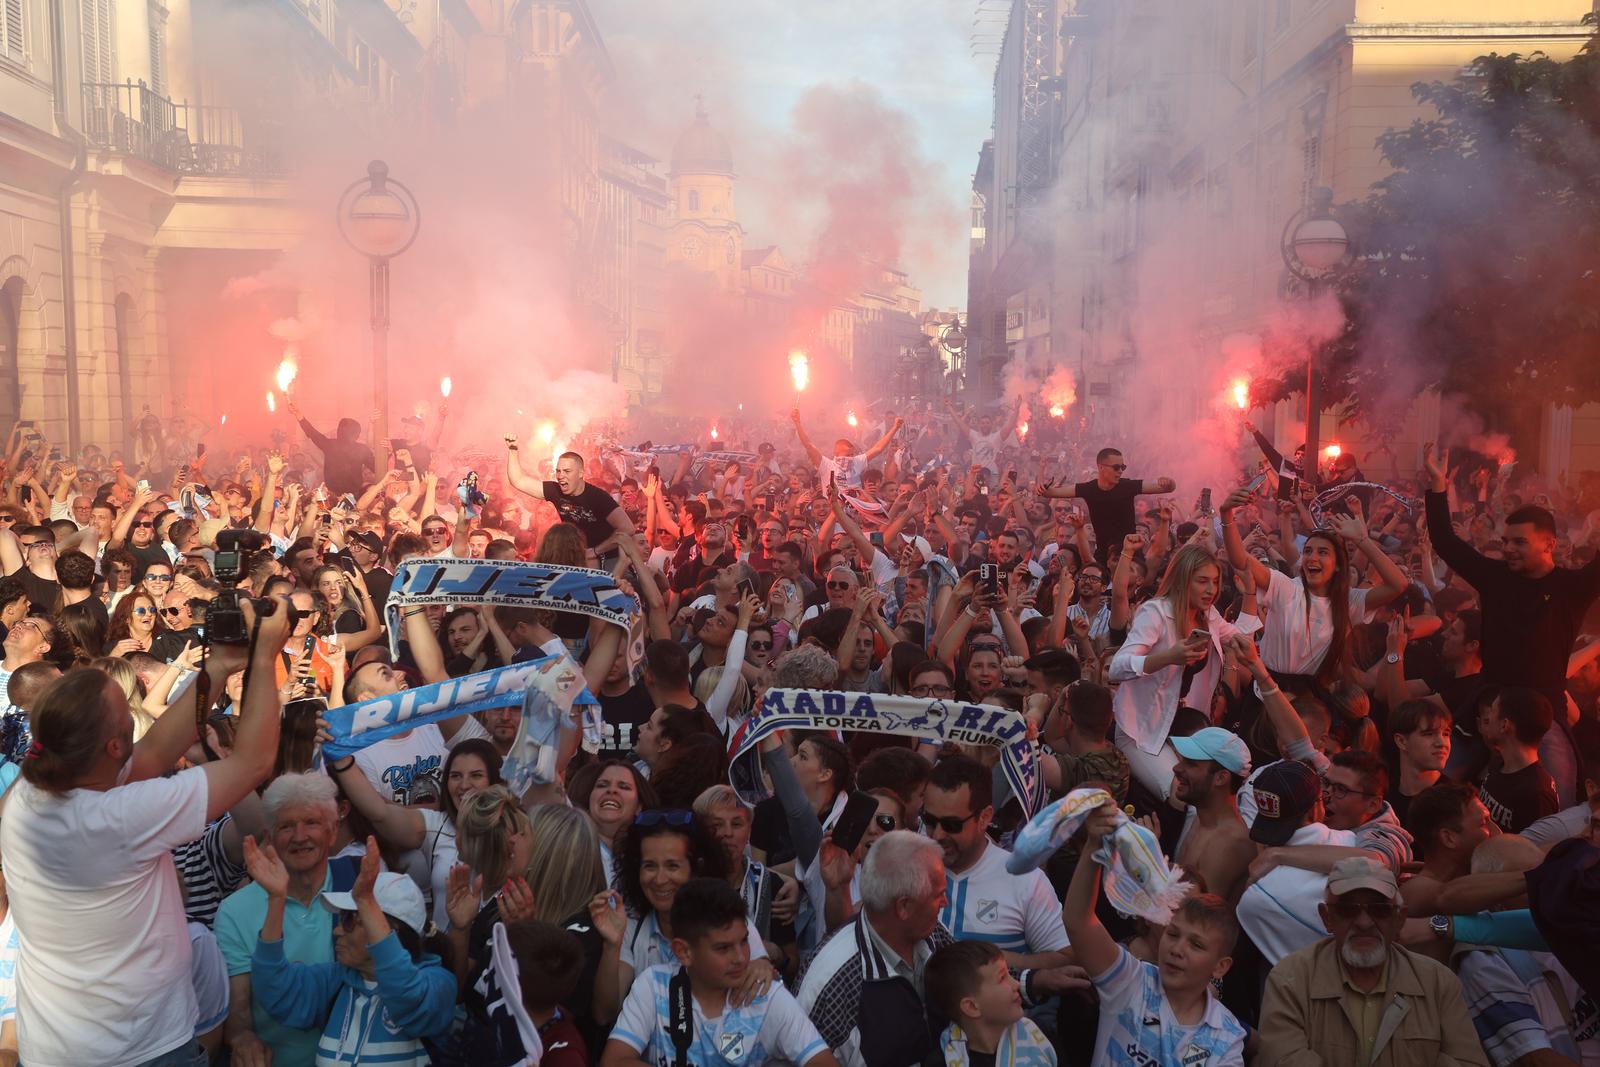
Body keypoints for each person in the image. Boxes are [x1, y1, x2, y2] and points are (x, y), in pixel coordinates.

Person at [0, 595, 288, 1067]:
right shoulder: (121, 817)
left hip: (53, 1048)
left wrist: (215, 670)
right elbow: (254, 760)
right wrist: (263, 656)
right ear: (114, 746)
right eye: (125, 709)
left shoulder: (29, 793)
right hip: (137, 1051)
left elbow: (153, 751)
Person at [1424, 443, 1593, 802]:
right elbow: (1445, 542)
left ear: (1550, 543)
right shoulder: (1495, 576)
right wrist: (1438, 486)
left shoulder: (1571, 587)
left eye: (1519, 542)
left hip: (1542, 711)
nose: (1508, 549)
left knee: (1560, 800)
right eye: (1505, 542)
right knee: (1441, 788)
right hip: (1488, 702)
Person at [1063, 800, 1248, 1066]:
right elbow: (1077, 921)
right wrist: (1094, 847)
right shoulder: (1130, 981)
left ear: (1220, 967)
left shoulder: (1227, 1040)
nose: (1177, 949)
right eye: (1173, 934)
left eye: (1196, 944)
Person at [1257, 857, 1489, 1066]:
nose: (1364, 922)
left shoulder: (1438, 983)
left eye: (1379, 910)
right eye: (1348, 910)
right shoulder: (1290, 980)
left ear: (1400, 919)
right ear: (1327, 918)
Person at [243, 838, 454, 1065]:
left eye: (350, 921)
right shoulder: (338, 979)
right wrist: (276, 900)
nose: (337, 930)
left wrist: (366, 902)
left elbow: (407, 995)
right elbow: (276, 989)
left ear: (390, 930)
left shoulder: (437, 984)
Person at [602, 877, 837, 1067]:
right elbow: (614, 1061)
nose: (741, 957)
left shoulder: (766, 995)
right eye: (723, 948)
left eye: (744, 942)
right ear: (683, 952)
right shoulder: (654, 986)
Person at [1108, 545, 1260, 798]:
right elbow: (1118, 667)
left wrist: (1251, 597)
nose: (1211, 590)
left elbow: (1238, 637)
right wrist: (1169, 657)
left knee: (1219, 792)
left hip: (1187, 730)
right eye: (1202, 581)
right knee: (1184, 796)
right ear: (1183, 579)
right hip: (1142, 730)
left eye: (1215, 581)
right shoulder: (1155, 612)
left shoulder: (1208, 615)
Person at [795, 830, 953, 1067]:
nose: (945, 902)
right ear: (904, 907)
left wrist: (1028, 982)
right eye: (938, 894)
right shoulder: (832, 985)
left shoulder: (932, 933)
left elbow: (976, 973)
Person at [921, 754, 1073, 982]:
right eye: (930, 821)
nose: (938, 834)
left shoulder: (1025, 879)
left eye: (952, 825)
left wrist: (994, 961)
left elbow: (1066, 958)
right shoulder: (906, 867)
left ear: (984, 818)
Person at [331, 738, 501, 930]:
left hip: (495, 948)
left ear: (495, 780)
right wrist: (342, 760)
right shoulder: (437, 824)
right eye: (455, 776)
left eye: (476, 775)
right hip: (450, 953)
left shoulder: (514, 827)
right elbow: (380, 813)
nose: (464, 785)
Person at [924, 940, 1056, 1066]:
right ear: (972, 1006)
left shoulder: (1039, 1036)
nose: (1016, 984)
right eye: (1002, 978)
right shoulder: (943, 1061)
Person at [1036, 447, 1175, 562]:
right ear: (1101, 467)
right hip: (1104, 554)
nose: (1120, 471)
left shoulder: (1127, 486)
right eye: (1116, 467)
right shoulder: (1089, 489)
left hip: (1130, 553)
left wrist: (1168, 482)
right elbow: (1049, 493)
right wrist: (1042, 479)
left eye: (1122, 467)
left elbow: (1167, 488)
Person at [1169, 726, 1258, 903]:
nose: (1176, 768)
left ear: (1221, 778)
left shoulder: (1230, 842)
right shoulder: (1201, 819)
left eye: (1191, 764)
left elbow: (1193, 922)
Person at [505, 446, 634, 564]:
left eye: (567, 471)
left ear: (580, 473)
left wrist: (595, 551)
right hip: (579, 559)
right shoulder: (555, 491)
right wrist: (513, 450)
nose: (561, 476)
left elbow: (627, 528)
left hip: (609, 559)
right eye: (559, 471)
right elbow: (518, 480)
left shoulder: (598, 497)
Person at [1477, 687, 1561, 833]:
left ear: (1504, 725)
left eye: (1492, 711)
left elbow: (1530, 852)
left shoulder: (1536, 795)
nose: (1487, 718)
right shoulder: (1499, 763)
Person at [286, 403, 375, 497]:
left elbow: (312, 433)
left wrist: (299, 415)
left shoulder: (330, 445)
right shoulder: (360, 449)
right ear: (357, 434)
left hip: (345, 495)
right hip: (344, 495)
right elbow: (376, 466)